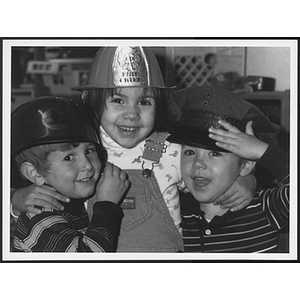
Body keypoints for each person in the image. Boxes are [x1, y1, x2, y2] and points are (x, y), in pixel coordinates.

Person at [11, 46, 256, 252]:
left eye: (144, 102)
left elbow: (212, 172)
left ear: (158, 106)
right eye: (118, 100)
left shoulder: (174, 148)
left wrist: (245, 180)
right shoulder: (81, 147)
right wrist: (15, 198)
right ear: (93, 102)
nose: (131, 114)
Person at [167, 86, 289, 253]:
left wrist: (262, 151)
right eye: (189, 152)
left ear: (246, 165)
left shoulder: (266, 209)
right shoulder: (171, 211)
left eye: (215, 153)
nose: (198, 164)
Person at [11, 96, 129, 252]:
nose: (87, 165)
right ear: (35, 173)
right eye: (68, 157)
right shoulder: (39, 215)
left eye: (89, 151)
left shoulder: (72, 201)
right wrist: (107, 205)